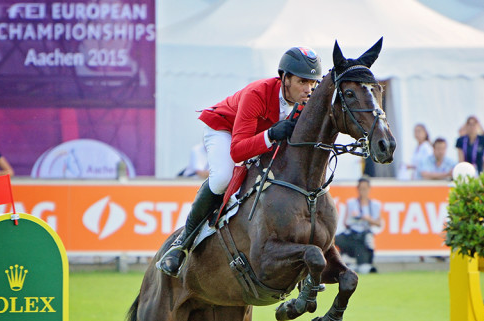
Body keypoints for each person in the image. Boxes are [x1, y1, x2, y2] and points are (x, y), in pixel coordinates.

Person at [157, 47, 322, 276]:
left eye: (313, 83)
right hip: (224, 129)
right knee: (222, 178)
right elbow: (237, 152)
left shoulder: (306, 103)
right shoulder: (258, 93)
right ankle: (182, 245)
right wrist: (271, 135)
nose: (309, 89)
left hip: (257, 139)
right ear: (284, 78)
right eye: (303, 82)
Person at [335, 177, 382, 274]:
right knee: (334, 240)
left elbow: (378, 223)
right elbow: (346, 222)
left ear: (369, 189)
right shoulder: (351, 203)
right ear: (357, 189)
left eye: (365, 189)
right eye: (360, 189)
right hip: (352, 235)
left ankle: (354, 265)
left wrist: (367, 219)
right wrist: (355, 219)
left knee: (364, 265)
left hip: (364, 237)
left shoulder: (375, 205)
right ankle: (340, 261)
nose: (362, 191)